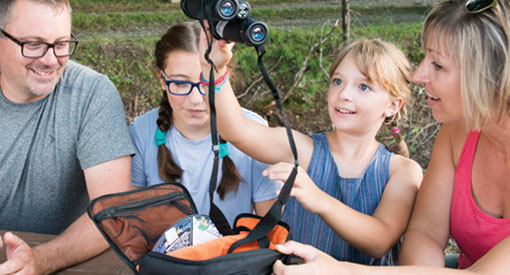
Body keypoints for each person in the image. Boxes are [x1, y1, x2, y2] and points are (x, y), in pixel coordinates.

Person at [272, 0, 510, 274]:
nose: (419, 75)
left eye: (439, 66)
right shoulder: (455, 133)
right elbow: (425, 233)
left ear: (490, 74)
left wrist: (344, 271)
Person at [200, 22, 423, 264]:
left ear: (393, 105)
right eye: (338, 81)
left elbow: (379, 241)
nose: (344, 94)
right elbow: (236, 130)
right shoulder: (302, 150)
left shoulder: (401, 171)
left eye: (363, 87)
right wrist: (215, 67)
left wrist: (318, 199)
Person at [0, 0, 135, 274]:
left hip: (65, 260)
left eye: (61, 44)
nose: (50, 60)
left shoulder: (92, 94)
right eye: (34, 44)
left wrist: (40, 260)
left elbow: (113, 211)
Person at [129, 22, 281, 227]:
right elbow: (131, 222)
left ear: (222, 76)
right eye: (180, 83)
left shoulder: (254, 131)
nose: (195, 99)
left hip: (236, 256)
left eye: (205, 83)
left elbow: (270, 230)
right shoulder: (141, 132)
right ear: (162, 80)